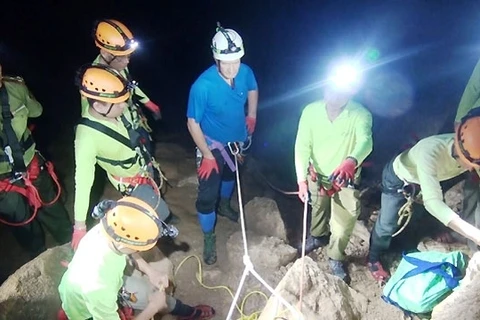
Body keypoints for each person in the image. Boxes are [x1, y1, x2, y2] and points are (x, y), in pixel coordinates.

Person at [368, 108, 480, 282]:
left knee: (418, 215)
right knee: (387, 224)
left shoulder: (472, 148)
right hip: (400, 178)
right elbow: (433, 203)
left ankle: (409, 243)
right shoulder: (430, 150)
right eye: (469, 165)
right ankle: (374, 257)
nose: (472, 169)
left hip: (430, 178)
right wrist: (474, 234)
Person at [58, 196, 215, 320]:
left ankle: (186, 312)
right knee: (157, 300)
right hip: (88, 311)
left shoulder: (107, 229)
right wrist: (153, 308)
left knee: (158, 296)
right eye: (139, 246)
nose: (140, 250)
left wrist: (149, 271)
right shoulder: (99, 286)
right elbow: (101, 287)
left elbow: (128, 248)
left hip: (105, 285)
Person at [71, 64, 174, 250]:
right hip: (132, 183)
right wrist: (79, 226)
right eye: (119, 103)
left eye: (124, 100)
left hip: (145, 167)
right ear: (98, 105)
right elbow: (83, 182)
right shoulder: (87, 137)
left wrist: (148, 102)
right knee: (159, 215)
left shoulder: (114, 107)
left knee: (158, 207)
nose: (125, 105)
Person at [294, 60, 373, 282]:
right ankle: (318, 237)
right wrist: (301, 180)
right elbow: (302, 146)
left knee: (343, 222)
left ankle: (336, 256)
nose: (335, 94)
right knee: (317, 209)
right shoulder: (310, 111)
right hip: (316, 176)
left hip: (344, 180)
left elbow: (366, 141)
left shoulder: (360, 114)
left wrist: (351, 160)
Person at [186, 23, 258, 265]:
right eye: (226, 62)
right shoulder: (202, 86)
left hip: (237, 141)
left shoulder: (244, 71)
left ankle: (225, 205)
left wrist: (252, 115)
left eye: (235, 61)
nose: (231, 68)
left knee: (231, 174)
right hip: (212, 146)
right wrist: (206, 154)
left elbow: (253, 89)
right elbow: (192, 123)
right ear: (216, 59)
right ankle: (209, 236)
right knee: (207, 194)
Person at [0, 64, 71, 259]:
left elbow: (37, 111)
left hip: (29, 163)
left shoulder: (15, 88)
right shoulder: (15, 88)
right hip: (4, 181)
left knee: (48, 205)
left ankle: (68, 244)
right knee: (22, 221)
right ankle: (39, 258)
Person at [85, 18, 162, 154]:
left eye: (129, 56)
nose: (126, 62)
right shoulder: (93, 82)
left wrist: (147, 102)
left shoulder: (117, 64)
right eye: (121, 57)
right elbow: (91, 119)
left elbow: (129, 84)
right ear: (104, 52)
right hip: (122, 135)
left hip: (135, 123)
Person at [453, 57, 480, 252]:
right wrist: (459, 122)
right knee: (472, 183)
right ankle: (470, 238)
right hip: (475, 128)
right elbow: (474, 87)